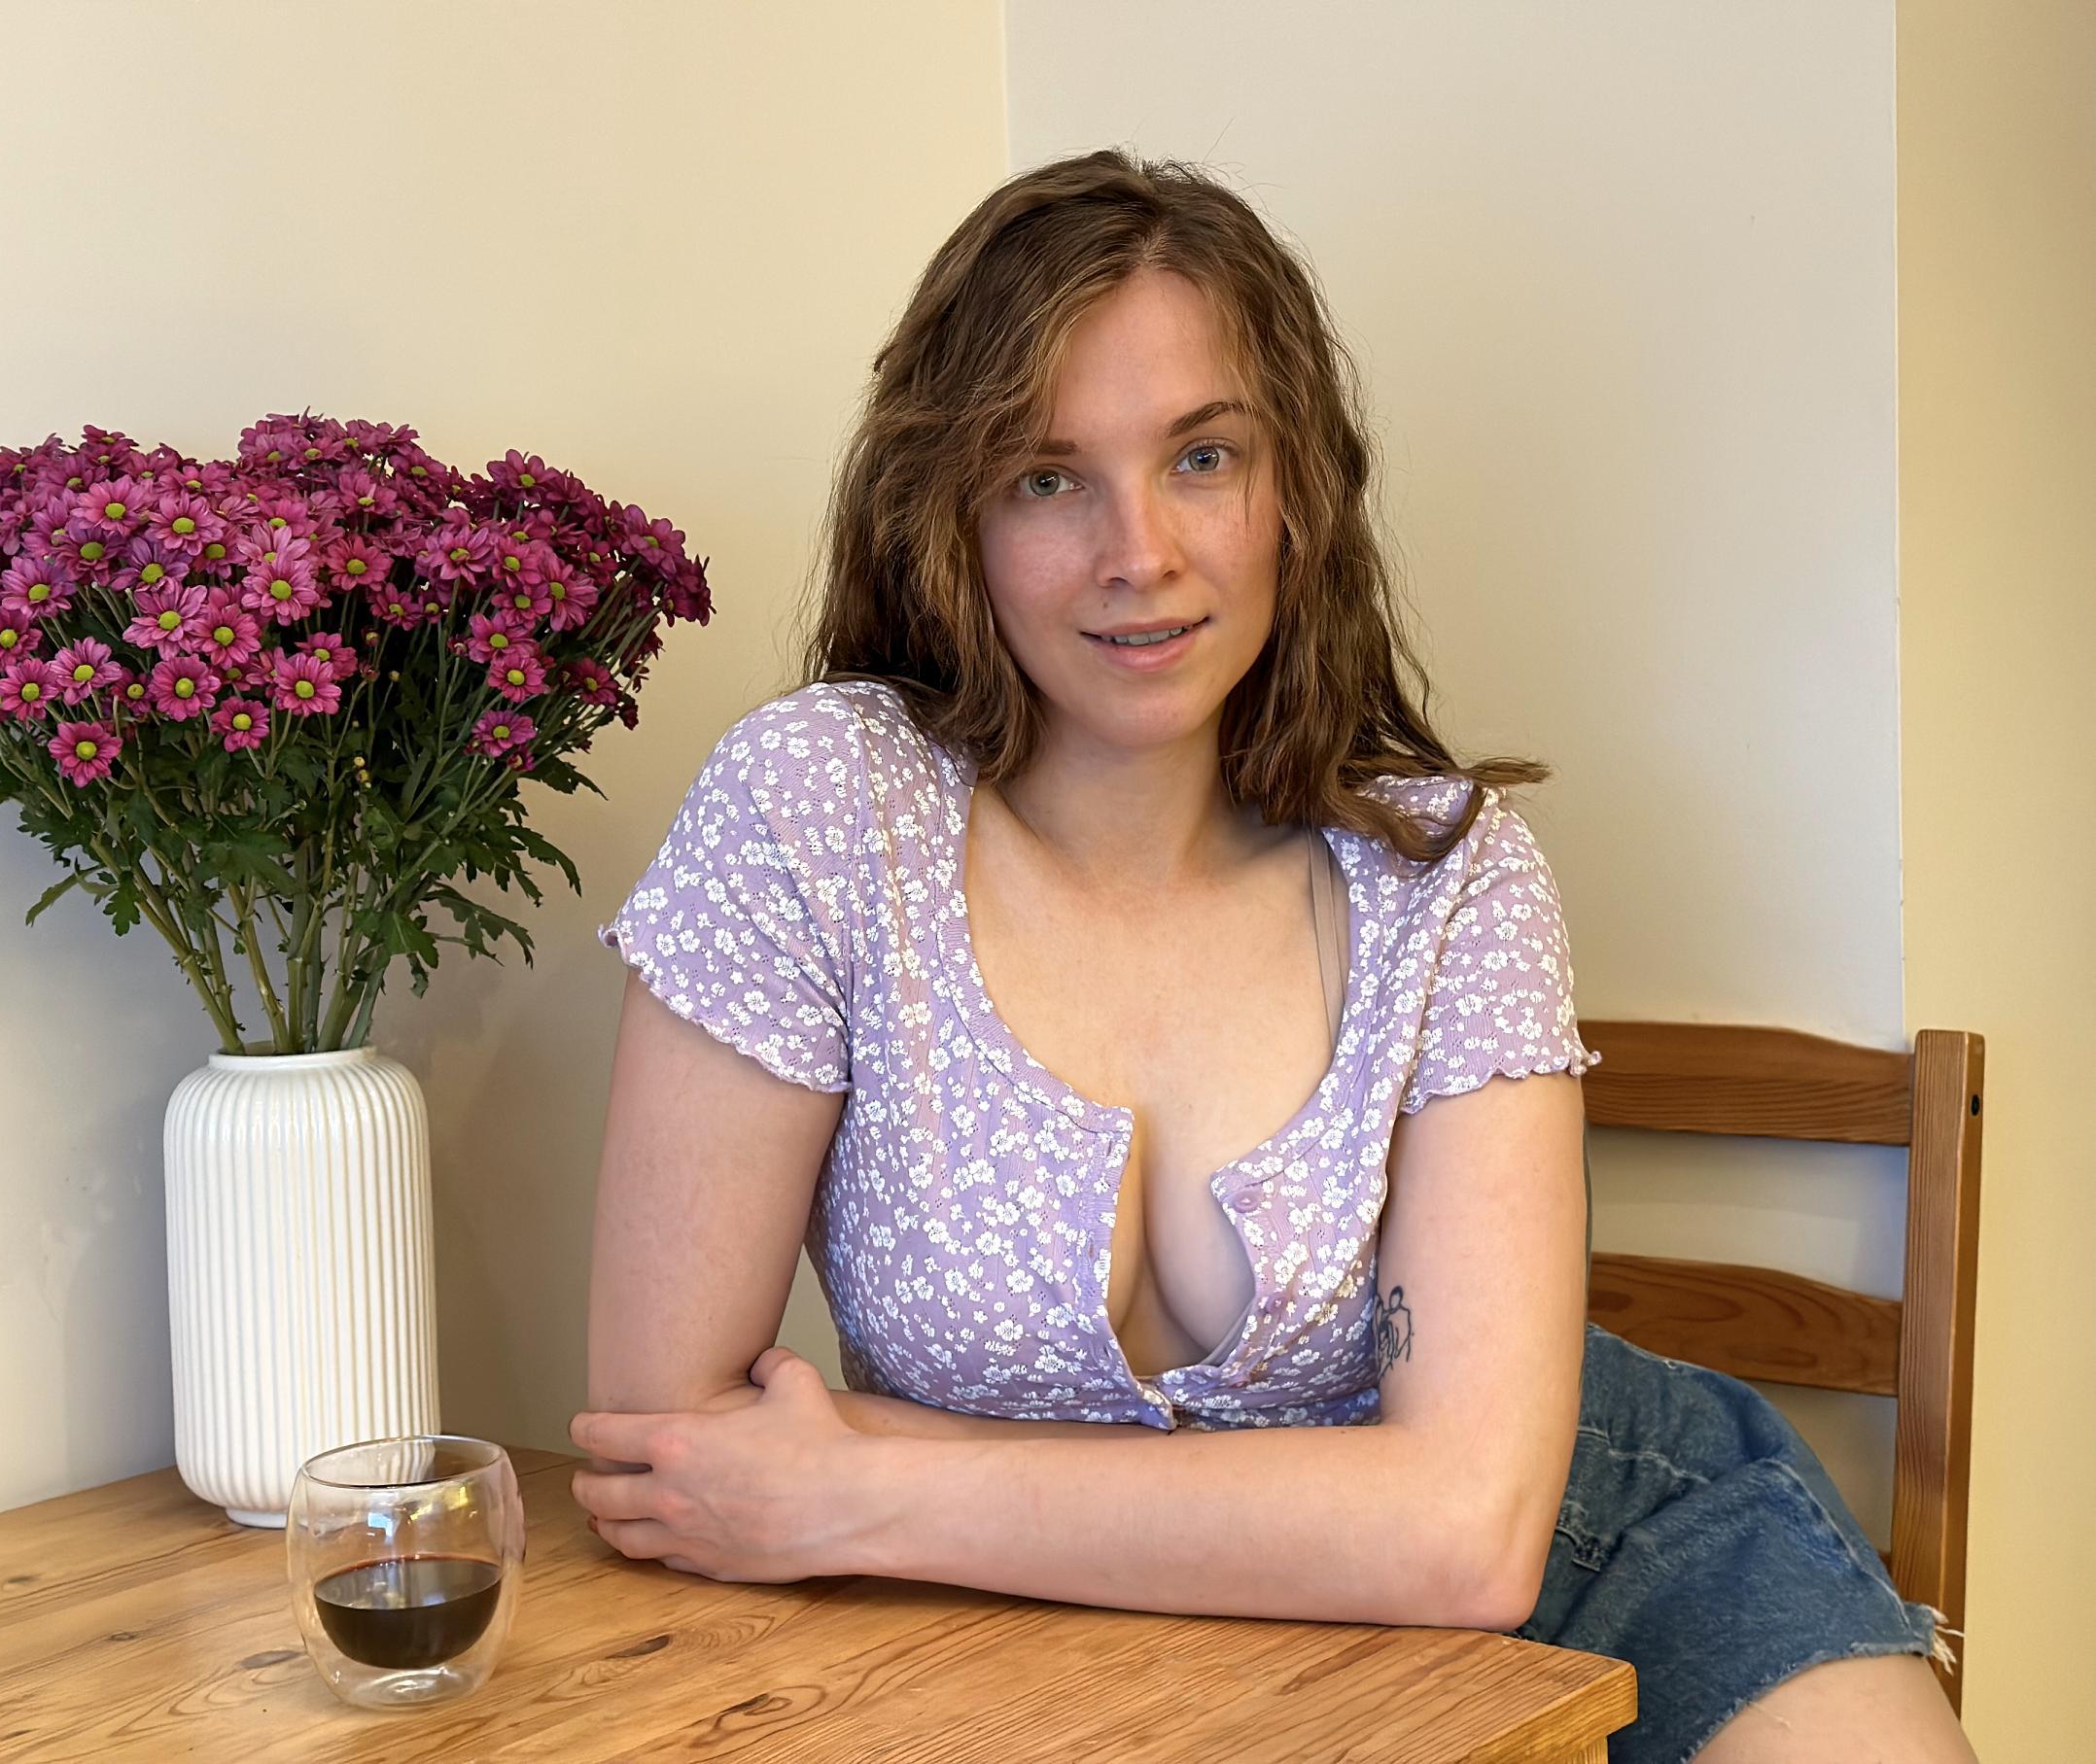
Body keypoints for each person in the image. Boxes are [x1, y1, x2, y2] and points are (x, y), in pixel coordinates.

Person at [568, 148, 1974, 1764]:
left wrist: (870, 1485)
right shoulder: (819, 809)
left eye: (1203, 457)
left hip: (1609, 1541)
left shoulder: (1450, 875)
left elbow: (1468, 1534)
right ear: (947, 515)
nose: (1140, 551)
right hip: (1030, 1641)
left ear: (1295, 489)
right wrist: (1324, 1506)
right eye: (1047, 477)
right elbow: (664, 1456)